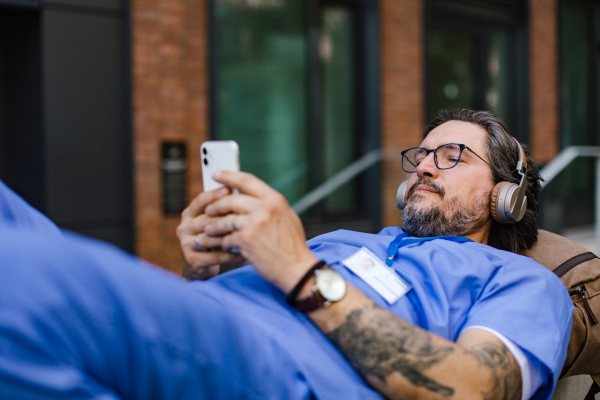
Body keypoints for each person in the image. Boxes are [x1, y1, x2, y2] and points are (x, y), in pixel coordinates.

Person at [0, 109, 571, 400]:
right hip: (210, 333)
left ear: (507, 195)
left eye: (451, 155)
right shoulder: (347, 243)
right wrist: (202, 269)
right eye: (421, 154)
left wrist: (299, 269)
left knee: (21, 277)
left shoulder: (520, 282)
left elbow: (470, 389)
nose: (423, 165)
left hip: (289, 372)